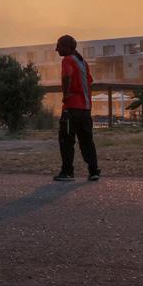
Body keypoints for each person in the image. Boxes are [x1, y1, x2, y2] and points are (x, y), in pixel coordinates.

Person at [52, 35, 100, 182]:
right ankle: (93, 171)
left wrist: (66, 95)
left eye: (59, 46)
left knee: (66, 139)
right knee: (86, 141)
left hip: (70, 110)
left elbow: (67, 77)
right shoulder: (82, 62)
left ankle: (67, 172)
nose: (56, 49)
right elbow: (89, 81)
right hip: (85, 110)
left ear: (67, 47)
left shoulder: (67, 60)